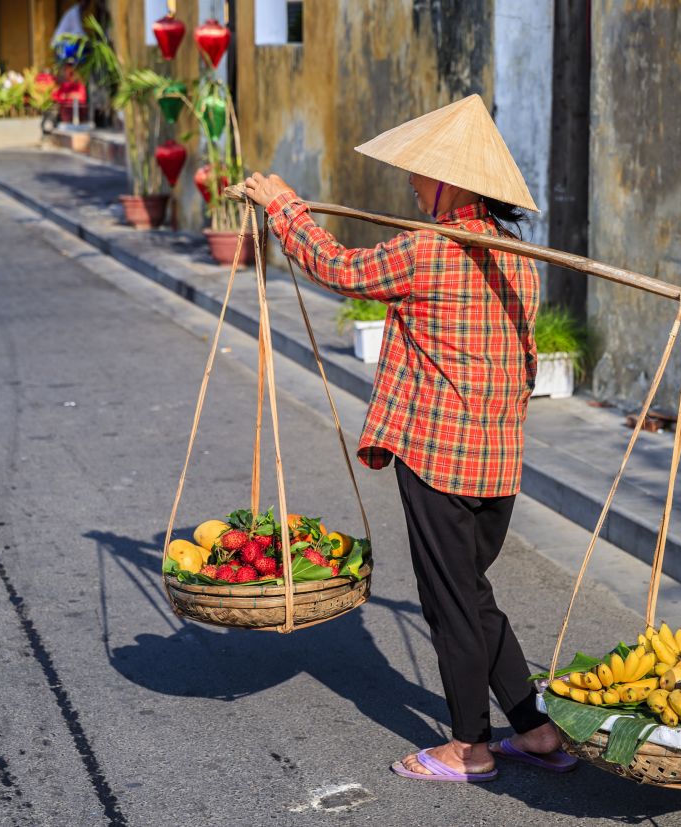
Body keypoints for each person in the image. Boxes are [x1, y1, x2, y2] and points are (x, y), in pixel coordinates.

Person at [243, 95, 577, 782]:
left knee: (451, 601)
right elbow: (522, 364)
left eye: (423, 174)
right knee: (473, 593)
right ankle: (536, 729)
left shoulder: (427, 251)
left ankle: (469, 746)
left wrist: (284, 208)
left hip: (439, 459)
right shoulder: (520, 259)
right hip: (497, 464)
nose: (413, 185)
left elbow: (339, 269)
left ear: (453, 183)